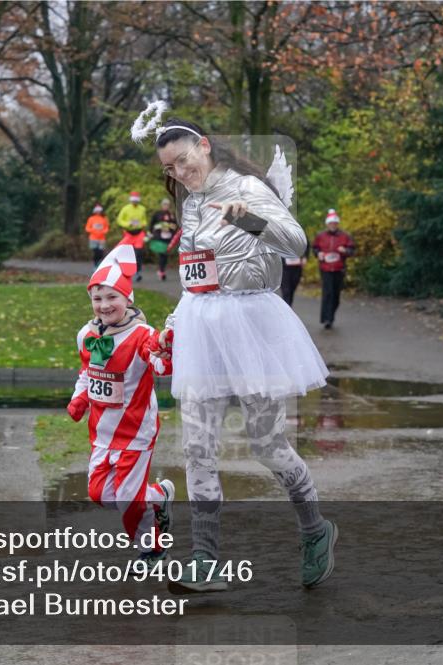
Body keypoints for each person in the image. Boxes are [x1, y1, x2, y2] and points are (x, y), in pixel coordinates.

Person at [149, 115, 337, 593]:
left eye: (183, 160)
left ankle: (316, 530)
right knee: (196, 445)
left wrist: (247, 218)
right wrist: (174, 326)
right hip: (201, 328)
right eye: (170, 168)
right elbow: (195, 276)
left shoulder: (247, 187)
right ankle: (205, 560)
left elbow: (297, 244)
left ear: (205, 146)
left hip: (251, 326)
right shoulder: (188, 203)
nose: (179, 172)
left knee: (266, 444)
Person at [67, 244, 176, 563]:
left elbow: (160, 364)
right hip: (101, 432)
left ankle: (152, 548)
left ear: (128, 299)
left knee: (128, 498)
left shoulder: (141, 334)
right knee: (100, 494)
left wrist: (167, 345)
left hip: (135, 431)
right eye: (97, 298)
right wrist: (79, 397)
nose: (104, 305)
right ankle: (159, 496)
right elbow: (90, 370)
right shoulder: (89, 335)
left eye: (112, 297)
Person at [312, 209, 355, 329]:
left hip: (339, 269)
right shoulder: (321, 236)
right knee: (328, 293)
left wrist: (345, 251)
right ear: (327, 224)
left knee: (336, 295)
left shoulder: (345, 236)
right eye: (331, 223)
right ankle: (327, 319)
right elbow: (315, 248)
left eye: (335, 223)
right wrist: (318, 253)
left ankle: (331, 315)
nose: (333, 225)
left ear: (337, 224)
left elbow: (352, 251)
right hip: (325, 268)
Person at [117, 191, 148, 281]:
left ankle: (138, 272)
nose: (135, 202)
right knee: (124, 252)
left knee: (138, 254)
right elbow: (119, 220)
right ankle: (123, 271)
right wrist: (128, 224)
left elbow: (144, 220)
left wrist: (142, 224)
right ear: (131, 200)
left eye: (136, 201)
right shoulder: (126, 208)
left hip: (139, 234)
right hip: (128, 234)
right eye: (133, 201)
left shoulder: (142, 209)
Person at [149, 198, 178, 280]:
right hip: (159, 237)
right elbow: (152, 224)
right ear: (162, 205)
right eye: (164, 204)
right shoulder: (157, 214)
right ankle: (161, 271)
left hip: (168, 237)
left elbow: (175, 225)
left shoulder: (171, 214)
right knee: (162, 254)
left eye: (167, 204)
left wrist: (170, 228)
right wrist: (152, 232)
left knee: (165, 255)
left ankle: (161, 270)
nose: (166, 206)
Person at [280, 238, 310, 307]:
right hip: (284, 267)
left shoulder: (298, 231)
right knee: (286, 290)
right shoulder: (280, 232)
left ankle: (288, 306)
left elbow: (306, 245)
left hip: (297, 266)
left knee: (292, 289)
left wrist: (305, 256)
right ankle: (286, 310)